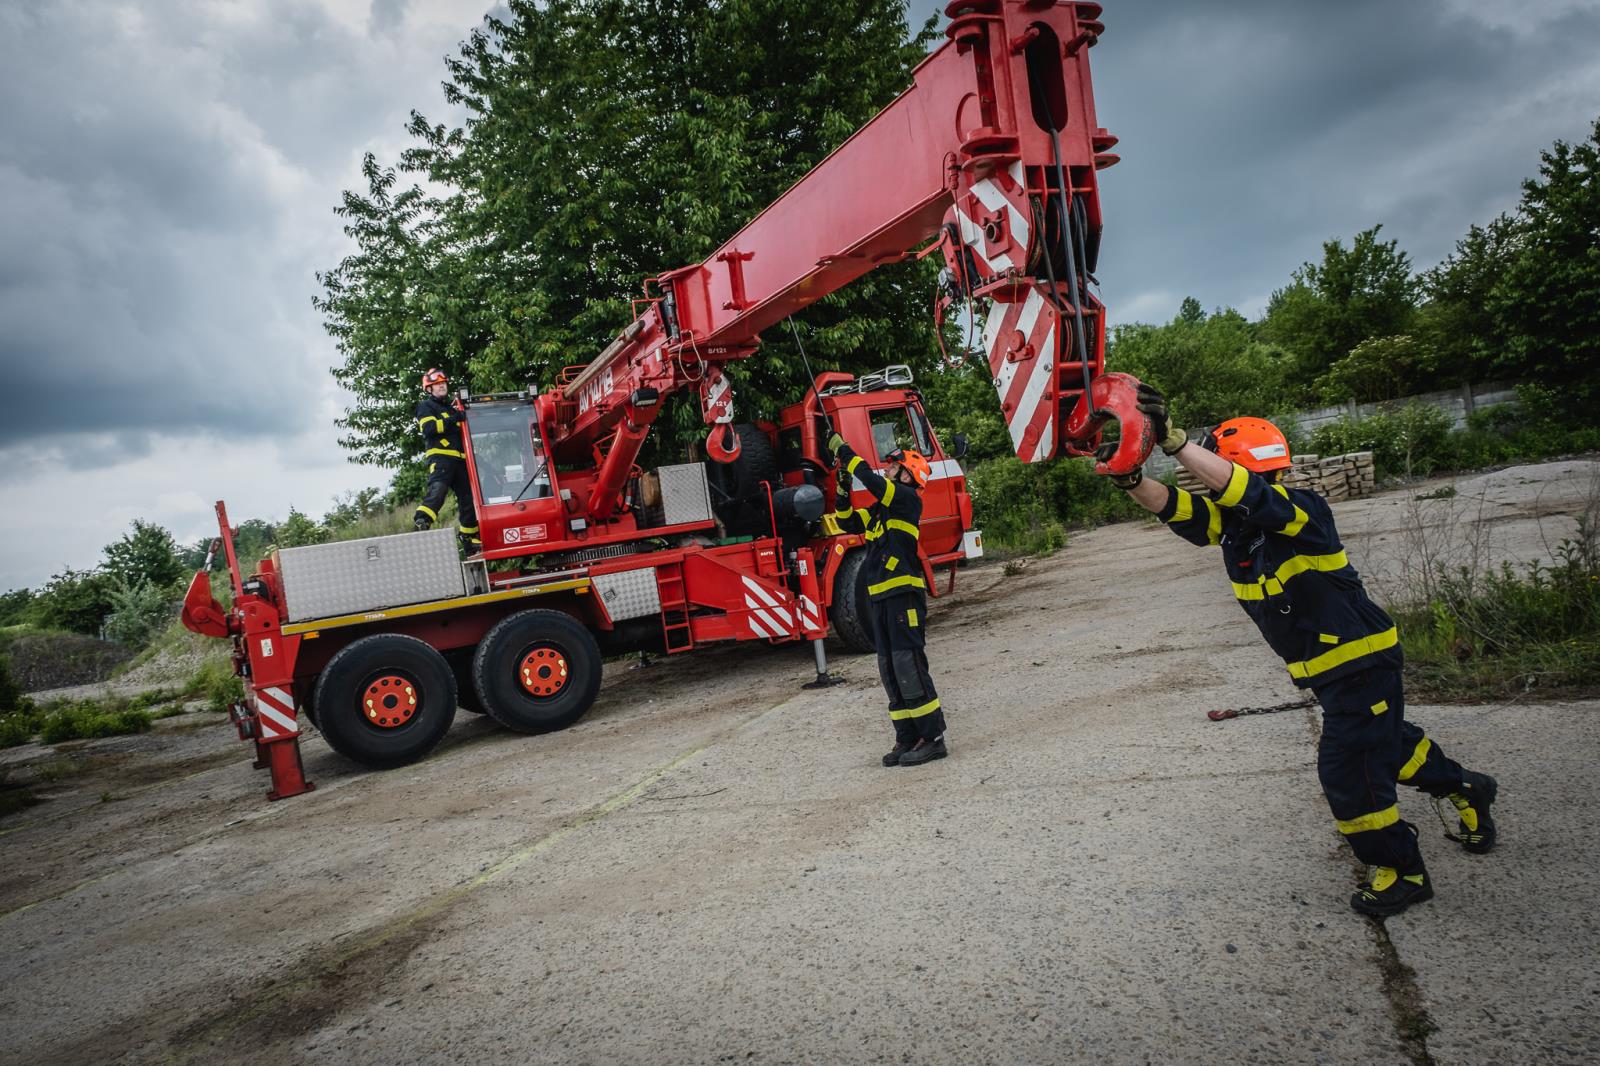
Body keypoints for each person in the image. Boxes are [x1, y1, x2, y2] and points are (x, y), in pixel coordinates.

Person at [1101, 383, 1498, 917]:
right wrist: (1129, 478)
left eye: (1212, 463)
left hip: (1359, 664)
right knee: (1388, 745)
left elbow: (1249, 494)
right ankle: (1468, 788)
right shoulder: (1238, 527)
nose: (1201, 474)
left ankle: (1402, 872)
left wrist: (1175, 443)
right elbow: (1179, 509)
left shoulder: (1302, 510)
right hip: (1336, 672)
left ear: (1237, 467)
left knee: (1350, 772)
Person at [828, 432, 948, 767]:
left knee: (908, 664)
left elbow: (870, 479)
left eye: (895, 466)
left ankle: (933, 739)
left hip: (903, 595)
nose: (888, 468)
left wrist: (845, 451)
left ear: (907, 476)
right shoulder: (881, 511)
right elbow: (845, 521)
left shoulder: (906, 499)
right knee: (890, 669)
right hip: (881, 597)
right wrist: (842, 485)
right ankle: (907, 737)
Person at [413, 368, 481, 554]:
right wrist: (453, 419)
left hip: (460, 460)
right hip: (441, 457)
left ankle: (469, 539)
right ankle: (422, 520)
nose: (442, 386)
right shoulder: (426, 406)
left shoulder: (452, 409)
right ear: (429, 389)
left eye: (443, 383)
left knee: (468, 499)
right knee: (438, 489)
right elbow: (428, 428)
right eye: (437, 384)